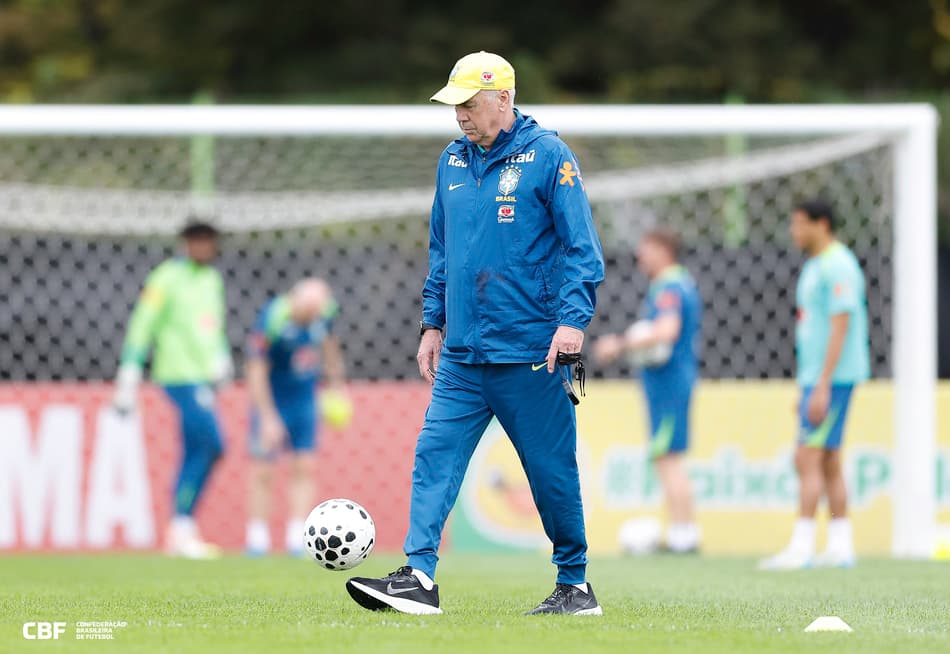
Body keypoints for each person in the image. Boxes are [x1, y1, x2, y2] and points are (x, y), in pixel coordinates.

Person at [345, 51, 605, 616]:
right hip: (463, 355)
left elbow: (582, 248)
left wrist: (572, 322)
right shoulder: (451, 163)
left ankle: (575, 584)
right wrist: (432, 322)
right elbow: (443, 251)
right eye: (454, 104)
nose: (459, 114)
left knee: (550, 472)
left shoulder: (549, 157)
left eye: (469, 103)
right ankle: (418, 576)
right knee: (433, 455)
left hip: (531, 353)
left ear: (504, 99)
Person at [759, 199, 869, 570]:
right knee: (829, 461)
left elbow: (841, 324)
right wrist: (808, 385)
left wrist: (822, 385)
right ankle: (841, 545)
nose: (795, 231)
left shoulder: (838, 264)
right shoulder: (815, 266)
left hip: (834, 377)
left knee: (806, 457)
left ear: (822, 224)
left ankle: (802, 546)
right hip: (819, 378)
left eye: (800, 223)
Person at [113, 220, 232, 559]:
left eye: (209, 240)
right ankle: (181, 526)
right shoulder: (166, 277)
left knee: (197, 448)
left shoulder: (211, 279)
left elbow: (212, 326)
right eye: (198, 240)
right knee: (211, 444)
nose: (204, 247)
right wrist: (130, 371)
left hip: (204, 378)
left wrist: (221, 356)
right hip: (179, 374)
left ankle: (182, 528)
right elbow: (143, 323)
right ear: (186, 243)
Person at [593, 228, 702, 554]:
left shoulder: (669, 287)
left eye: (646, 249)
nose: (640, 257)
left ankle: (685, 537)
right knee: (666, 456)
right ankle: (682, 533)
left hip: (669, 383)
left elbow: (667, 331)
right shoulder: (677, 284)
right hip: (668, 383)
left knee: (668, 458)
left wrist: (620, 343)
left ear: (663, 248)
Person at [244, 278, 346, 557]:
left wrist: (336, 386)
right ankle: (257, 538)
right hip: (273, 399)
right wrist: (266, 416)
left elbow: (330, 347)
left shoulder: (323, 317)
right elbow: (256, 368)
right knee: (263, 469)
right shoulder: (274, 317)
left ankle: (296, 536)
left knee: (305, 466)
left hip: (304, 401)